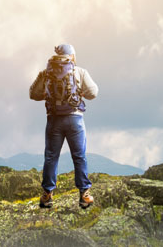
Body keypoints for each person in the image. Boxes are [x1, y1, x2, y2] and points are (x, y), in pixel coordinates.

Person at [29, 44, 98, 209]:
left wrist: (47, 94)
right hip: (75, 120)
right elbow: (93, 93)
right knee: (79, 156)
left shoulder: (46, 73)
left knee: (51, 157)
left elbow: (33, 94)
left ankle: (47, 196)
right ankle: (84, 195)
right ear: (72, 56)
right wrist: (80, 93)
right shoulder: (79, 72)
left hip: (54, 120)